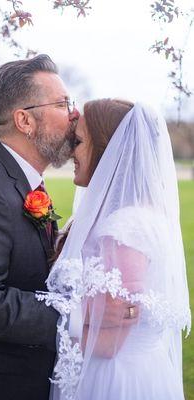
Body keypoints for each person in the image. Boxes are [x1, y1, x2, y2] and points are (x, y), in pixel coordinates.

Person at [0, 56, 136, 400]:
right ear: (24, 120)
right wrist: (85, 312)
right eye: (62, 103)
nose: (73, 114)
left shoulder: (23, 182)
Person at [37, 99, 191, 400]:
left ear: (108, 151)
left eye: (78, 142)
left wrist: (33, 335)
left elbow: (109, 342)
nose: (71, 152)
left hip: (115, 382)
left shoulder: (125, 228)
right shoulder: (128, 216)